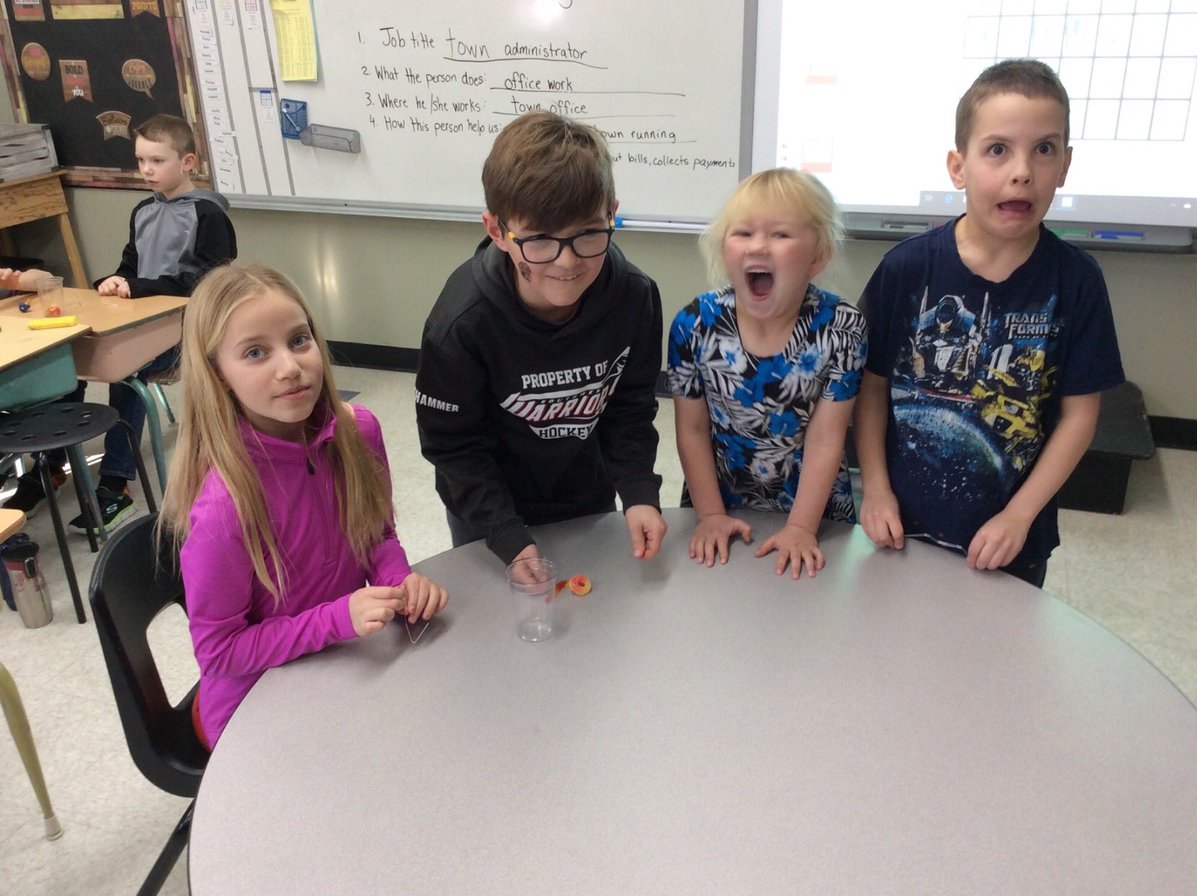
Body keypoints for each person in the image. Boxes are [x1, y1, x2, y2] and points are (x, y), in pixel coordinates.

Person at [854, 59, 1124, 587]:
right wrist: (876, 489)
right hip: (899, 527)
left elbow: (1079, 416)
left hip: (1010, 538)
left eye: (1043, 149)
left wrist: (1019, 516)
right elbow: (872, 387)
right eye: (998, 149)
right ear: (958, 168)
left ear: (1065, 165)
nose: (1022, 171)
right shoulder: (906, 268)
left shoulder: (1078, 281)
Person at [159, 264, 448, 748]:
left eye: (298, 340)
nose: (290, 367)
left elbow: (376, 535)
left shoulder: (358, 433)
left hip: (341, 661)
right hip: (253, 705)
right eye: (255, 352)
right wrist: (336, 619)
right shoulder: (224, 508)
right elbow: (219, 652)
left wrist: (400, 581)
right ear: (218, 374)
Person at [415, 110, 667, 567]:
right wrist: (505, 534)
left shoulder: (634, 298)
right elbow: (454, 446)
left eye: (587, 234)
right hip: (487, 516)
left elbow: (630, 408)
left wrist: (637, 492)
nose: (566, 262)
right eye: (539, 240)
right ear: (497, 231)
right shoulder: (461, 324)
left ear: (612, 215)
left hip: (583, 496)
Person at [667, 169, 866, 579]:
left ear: (818, 256)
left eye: (780, 234)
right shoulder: (693, 324)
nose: (758, 245)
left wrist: (801, 527)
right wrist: (709, 515)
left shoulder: (842, 328)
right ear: (723, 250)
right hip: (718, 503)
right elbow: (692, 429)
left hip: (814, 514)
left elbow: (826, 438)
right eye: (743, 233)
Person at [73, 112, 237, 534]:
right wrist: (115, 280)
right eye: (141, 160)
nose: (146, 169)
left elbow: (209, 281)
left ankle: (115, 483)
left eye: (157, 161)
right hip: (144, 324)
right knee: (72, 361)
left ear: (187, 162)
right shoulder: (144, 210)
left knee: (124, 369)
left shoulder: (208, 214)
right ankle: (53, 464)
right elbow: (131, 266)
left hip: (190, 330)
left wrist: (140, 287)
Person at [0, 266, 88, 514]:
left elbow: (45, 279)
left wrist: (14, 280)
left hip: (17, 382)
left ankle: (48, 467)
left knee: (65, 374)